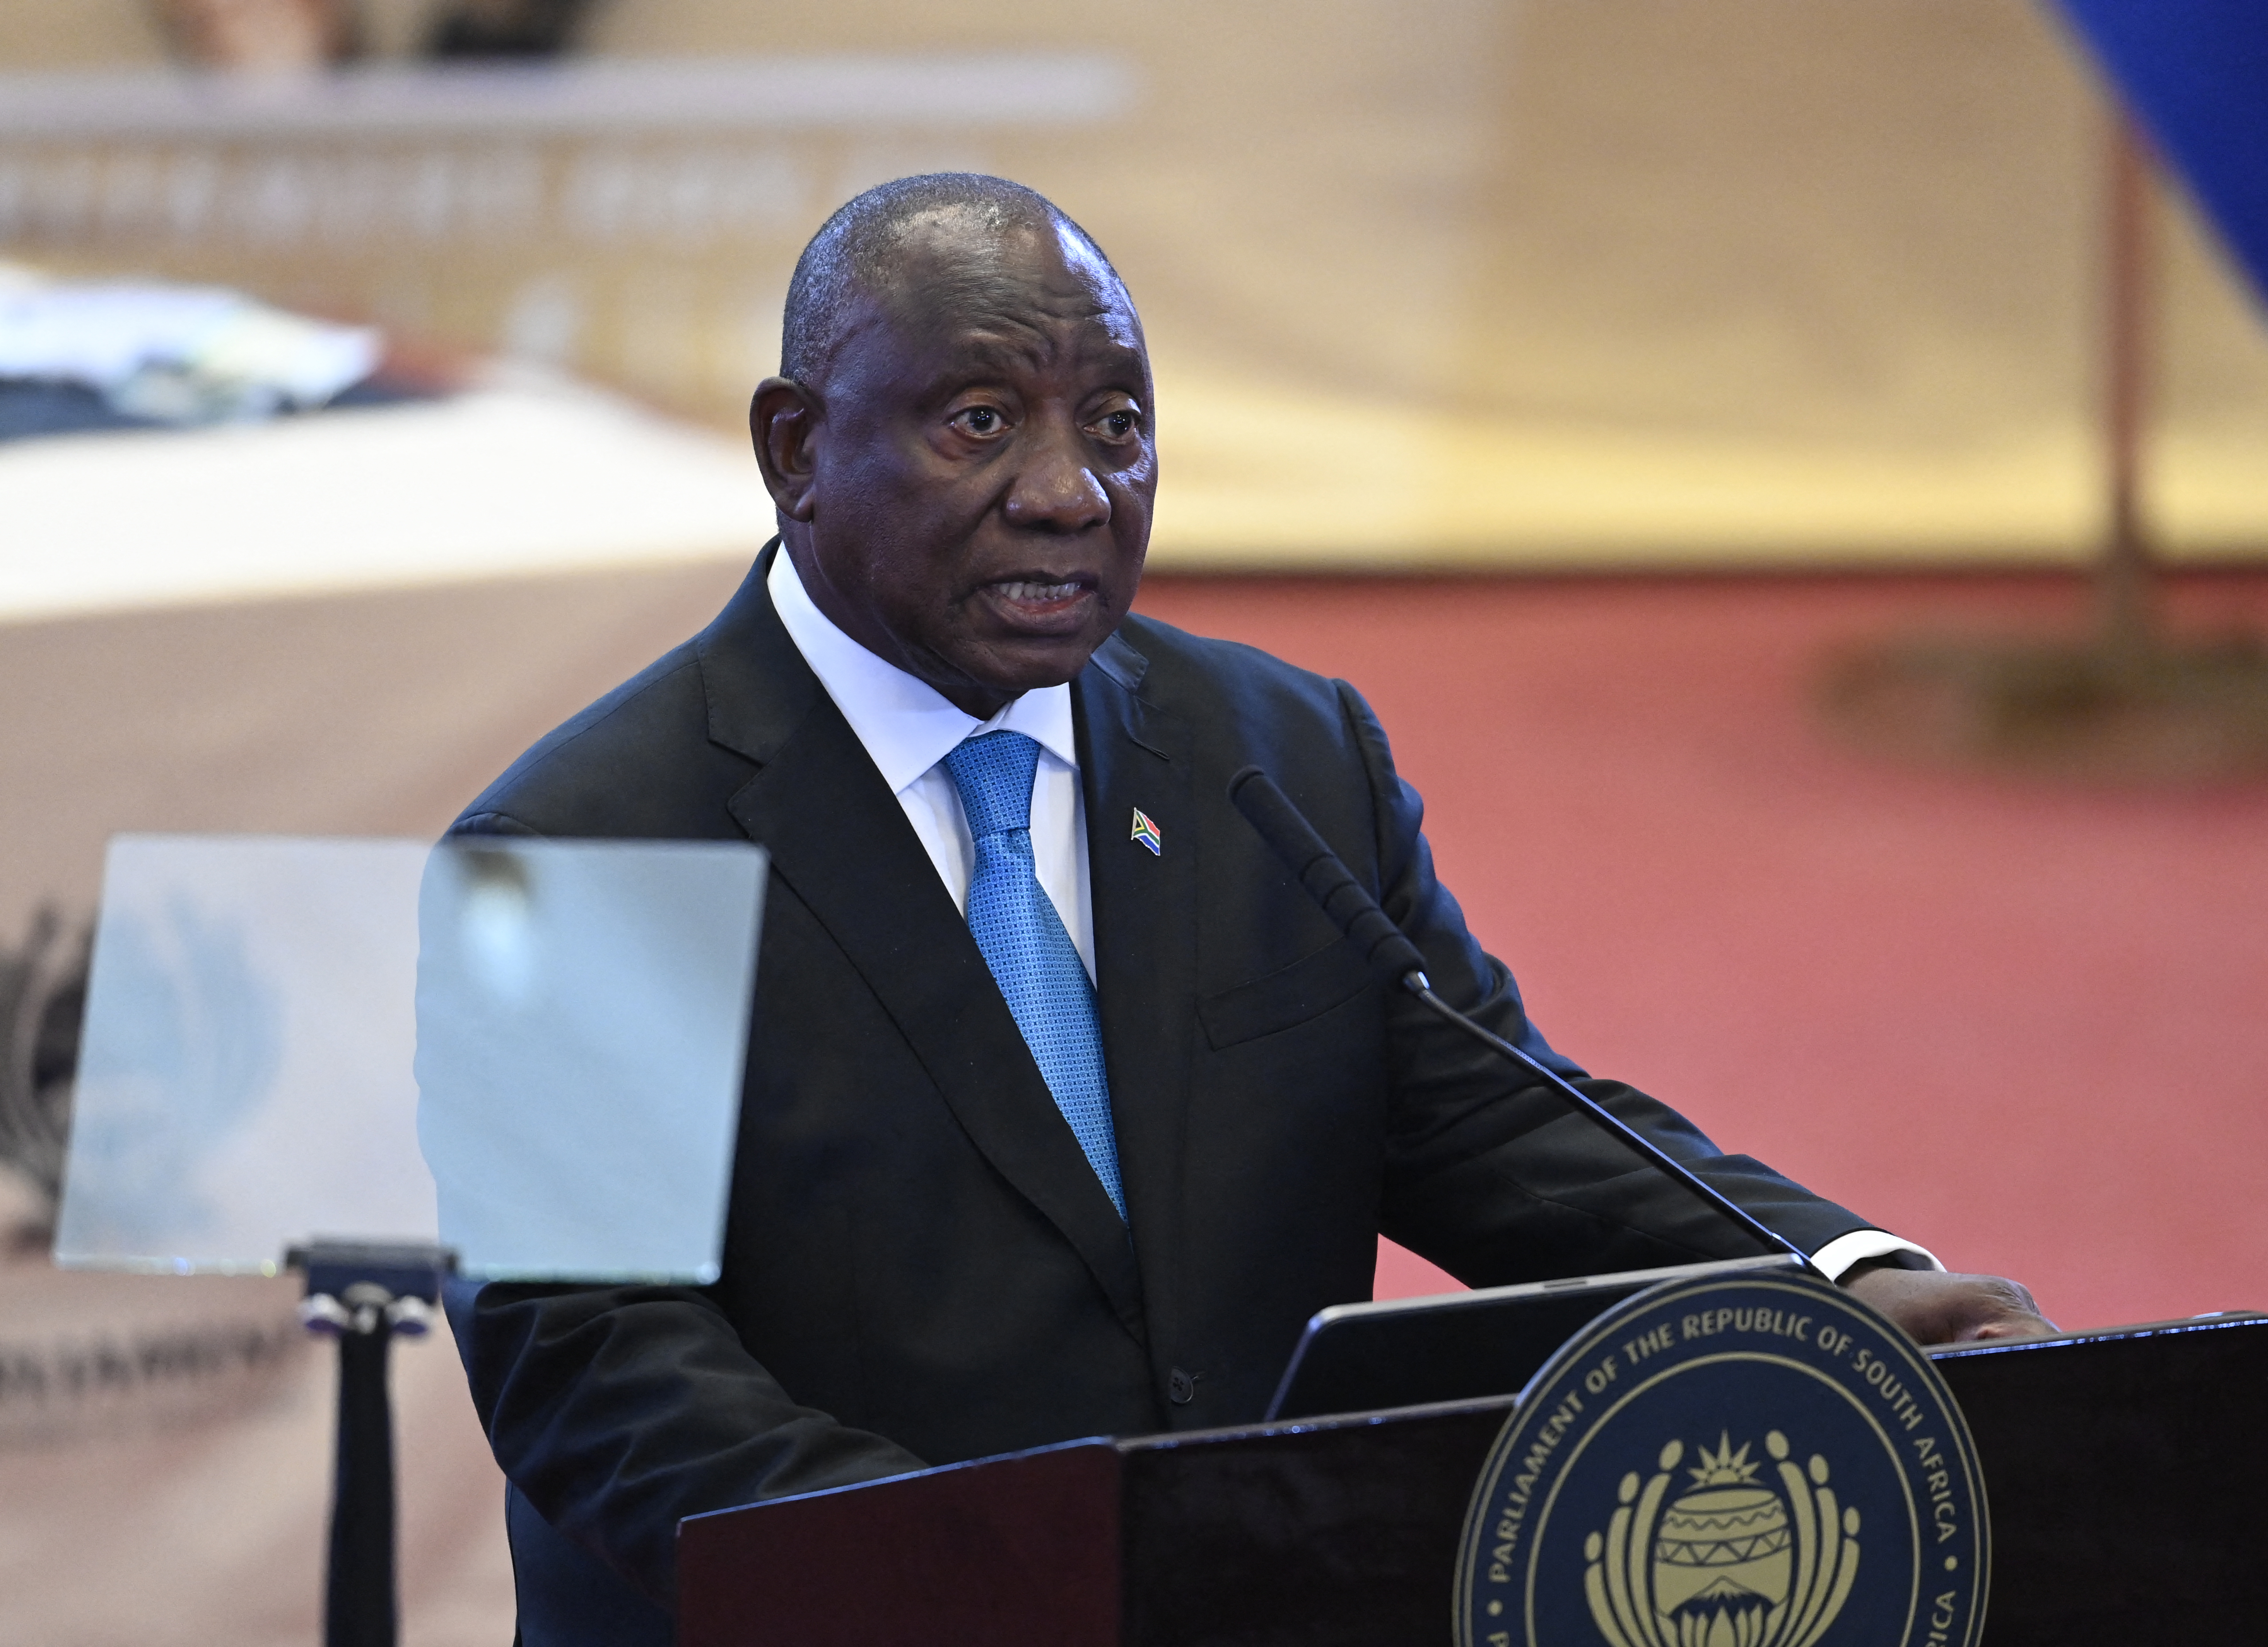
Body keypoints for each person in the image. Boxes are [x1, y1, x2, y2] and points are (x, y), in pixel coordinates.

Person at [443, 173, 2051, 1645]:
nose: (1070, 492)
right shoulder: (582, 848)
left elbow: (1490, 1120)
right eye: (982, 422)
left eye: (1119, 424)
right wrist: (973, 1568)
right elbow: (594, 1363)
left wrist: (1828, 1284)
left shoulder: (1271, 757)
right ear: (797, 449)